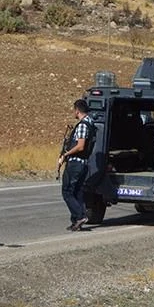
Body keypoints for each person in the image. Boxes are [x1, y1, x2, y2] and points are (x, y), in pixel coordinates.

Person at [58, 99, 94, 231]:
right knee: (77, 192)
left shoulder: (83, 125)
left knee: (67, 191)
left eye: (74, 110)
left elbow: (80, 146)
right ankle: (76, 221)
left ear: (77, 110)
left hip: (76, 164)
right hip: (83, 164)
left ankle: (80, 216)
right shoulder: (90, 122)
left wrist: (66, 154)